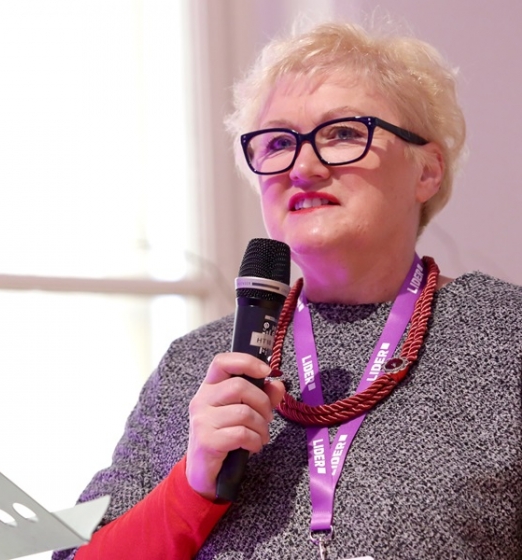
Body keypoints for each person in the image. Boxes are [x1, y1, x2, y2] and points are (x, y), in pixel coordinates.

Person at [53, 19, 522, 560]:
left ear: (427, 171)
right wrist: (194, 485)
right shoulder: (196, 365)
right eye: (278, 142)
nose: (303, 166)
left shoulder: (505, 340)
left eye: (344, 133)